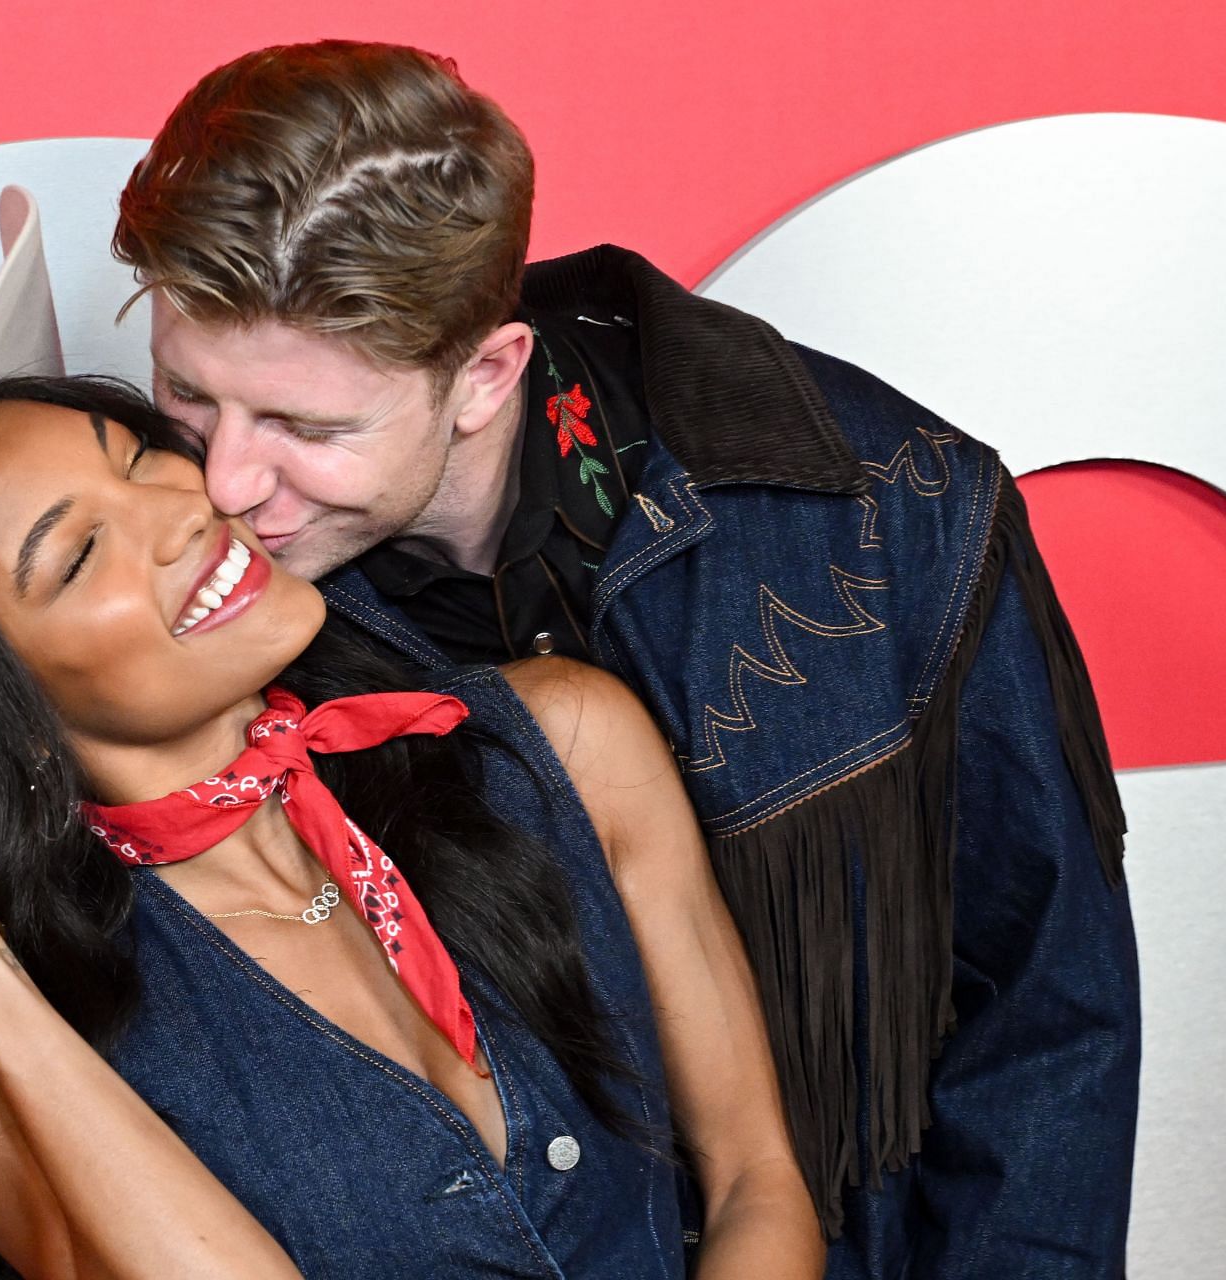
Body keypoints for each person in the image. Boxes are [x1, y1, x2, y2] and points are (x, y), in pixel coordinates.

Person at [108, 40, 1140, 1279]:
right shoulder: (201, 608)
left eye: (307, 426)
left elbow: (1048, 1011)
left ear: (486, 374)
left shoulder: (890, 505)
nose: (227, 483)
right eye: (188, 397)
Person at [0, 370, 822, 1278]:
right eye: (80, 550)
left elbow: (755, 1183)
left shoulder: (564, 739)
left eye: (143, 458)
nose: (188, 509)